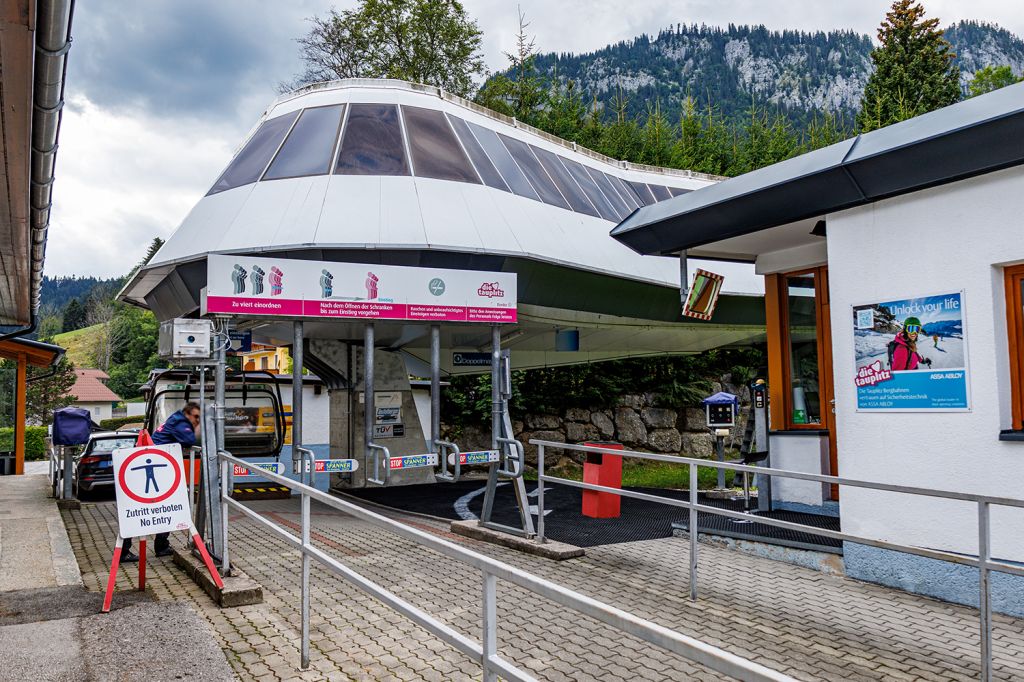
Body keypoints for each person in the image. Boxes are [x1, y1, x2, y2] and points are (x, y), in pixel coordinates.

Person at [121, 402, 201, 562]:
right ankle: (127, 551)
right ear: (187, 414)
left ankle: (161, 546)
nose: (197, 421)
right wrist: (197, 429)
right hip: (156, 470)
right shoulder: (180, 422)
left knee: (164, 507)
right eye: (196, 417)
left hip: (157, 468)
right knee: (144, 509)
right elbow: (190, 439)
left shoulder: (175, 419)